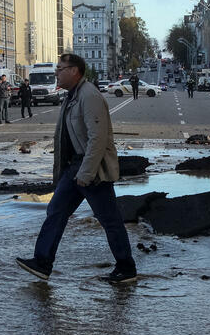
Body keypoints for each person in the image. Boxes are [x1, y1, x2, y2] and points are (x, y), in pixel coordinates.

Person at [17, 53, 137, 284]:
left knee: (109, 220)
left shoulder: (89, 96)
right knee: (56, 211)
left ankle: (126, 268)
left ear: (75, 71)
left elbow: (98, 138)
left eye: (60, 69)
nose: (56, 73)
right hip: (75, 168)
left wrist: (86, 172)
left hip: (91, 170)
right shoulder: (73, 95)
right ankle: (42, 263)